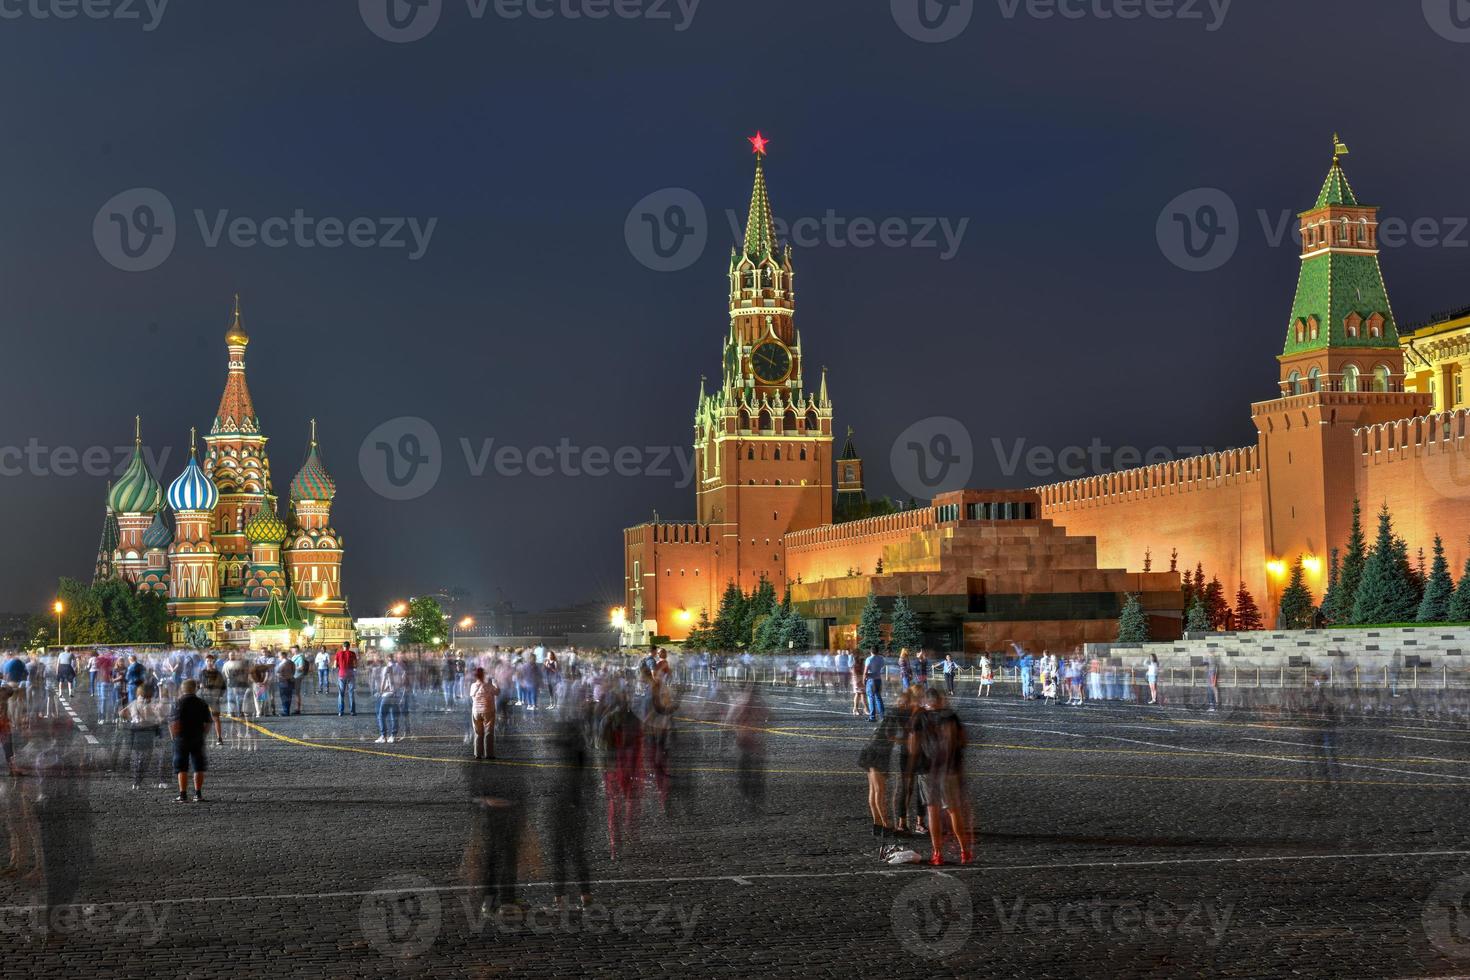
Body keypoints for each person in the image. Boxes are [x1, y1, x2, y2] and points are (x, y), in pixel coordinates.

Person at [911, 688, 972, 866]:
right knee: (954, 810)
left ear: (926, 701)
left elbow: (913, 746)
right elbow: (963, 741)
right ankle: (964, 852)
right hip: (948, 769)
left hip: (927, 770)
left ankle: (937, 854)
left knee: (933, 812)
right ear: (940, 700)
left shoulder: (919, 718)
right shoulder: (950, 716)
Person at [169, 679, 220, 803]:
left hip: (181, 738)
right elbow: (208, 722)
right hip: (197, 737)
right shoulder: (201, 703)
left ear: (182, 689)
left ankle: (183, 795)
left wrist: (173, 736)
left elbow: (173, 722)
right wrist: (203, 734)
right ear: (195, 689)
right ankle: (198, 794)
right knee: (198, 766)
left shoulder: (177, 703)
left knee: (182, 767)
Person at [120, 681, 167, 790]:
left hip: (136, 731)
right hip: (148, 731)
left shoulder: (134, 702)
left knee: (138, 757)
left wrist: (132, 719)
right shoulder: (150, 703)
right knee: (147, 757)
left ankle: (136, 782)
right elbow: (159, 717)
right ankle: (141, 781)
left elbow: (122, 713)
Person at [469, 667, 496, 760]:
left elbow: (473, 698)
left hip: (476, 711)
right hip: (488, 710)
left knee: (478, 733)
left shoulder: (473, 686)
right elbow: (497, 692)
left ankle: (477, 754)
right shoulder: (489, 686)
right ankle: (489, 754)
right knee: (488, 732)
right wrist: (495, 682)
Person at [863, 648, 887, 722]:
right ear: (878, 651)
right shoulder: (881, 658)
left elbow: (865, 671)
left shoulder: (869, 659)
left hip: (871, 680)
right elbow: (882, 668)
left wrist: (864, 679)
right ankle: (882, 715)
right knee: (878, 697)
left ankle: (872, 717)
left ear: (870, 652)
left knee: (871, 698)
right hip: (878, 679)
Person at [335, 642, 358, 716]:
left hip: (341, 675)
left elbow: (335, 665)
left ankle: (340, 711)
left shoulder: (338, 654)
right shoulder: (352, 653)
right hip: (350, 675)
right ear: (349, 646)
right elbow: (355, 665)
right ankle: (352, 711)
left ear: (343, 646)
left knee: (341, 694)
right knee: (351, 693)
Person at [276, 652, 297, 718]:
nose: (278, 657)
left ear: (283, 656)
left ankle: (286, 711)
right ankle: (287, 710)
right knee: (288, 696)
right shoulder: (291, 662)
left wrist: (281, 676)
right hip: (289, 680)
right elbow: (294, 670)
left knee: (284, 696)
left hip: (284, 681)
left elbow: (279, 672)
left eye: (279, 655)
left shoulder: (284, 663)